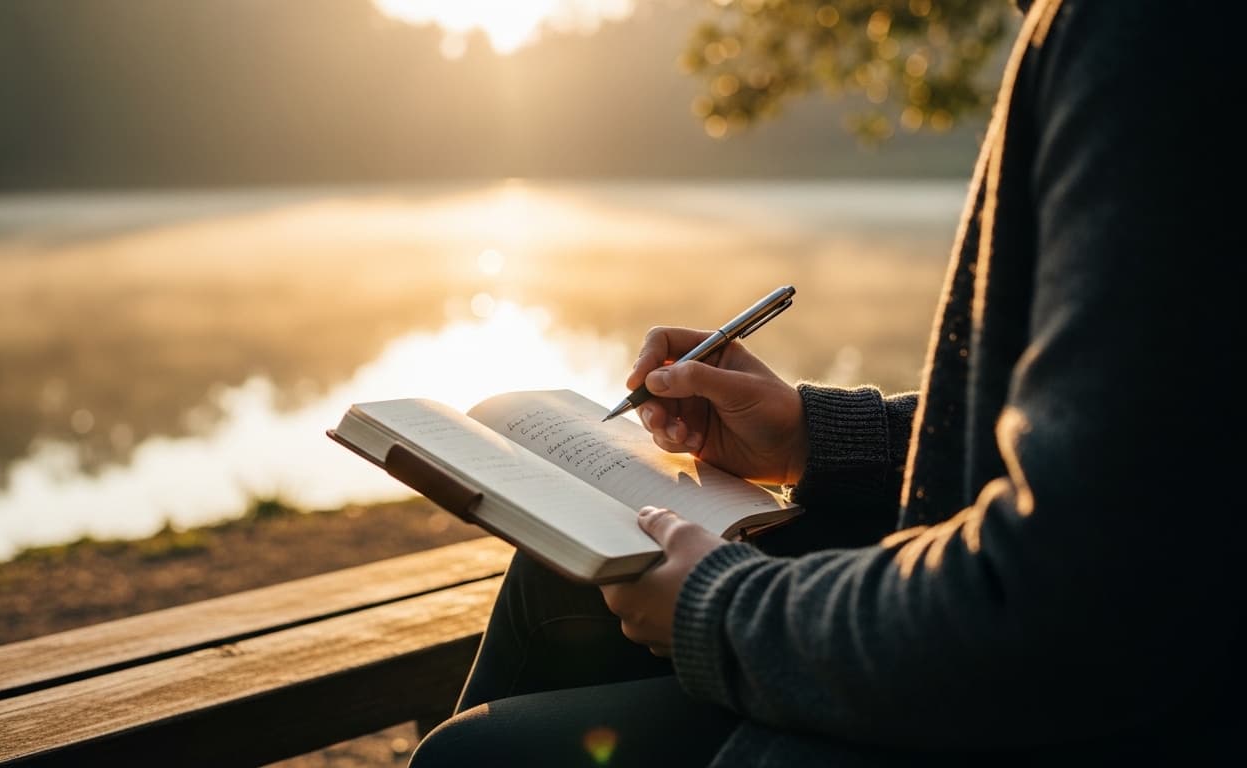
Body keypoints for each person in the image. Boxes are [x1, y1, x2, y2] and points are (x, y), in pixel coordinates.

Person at [409, 0, 1243, 764]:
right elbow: (1165, 447)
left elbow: (1074, 608)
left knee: (476, 757)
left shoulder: (1151, 36)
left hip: (1095, 716)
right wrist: (819, 432)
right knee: (573, 565)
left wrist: (724, 614)